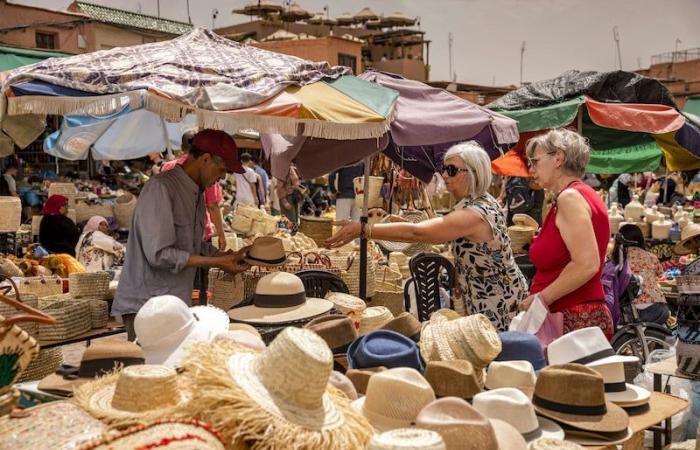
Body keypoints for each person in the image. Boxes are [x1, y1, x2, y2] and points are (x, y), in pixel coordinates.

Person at [325, 141, 527, 331]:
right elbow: (434, 229)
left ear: (474, 173)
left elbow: (418, 233)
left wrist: (364, 229)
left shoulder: (474, 214)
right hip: (493, 291)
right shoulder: (484, 202)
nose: (445, 176)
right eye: (444, 169)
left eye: (452, 170)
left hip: (496, 297)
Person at [113, 129, 251, 341]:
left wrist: (226, 256)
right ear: (205, 159)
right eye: (222, 169)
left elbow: (192, 245)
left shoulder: (196, 191)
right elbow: (159, 254)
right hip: (148, 305)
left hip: (173, 303)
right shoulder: (162, 188)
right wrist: (217, 262)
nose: (222, 177)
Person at [522, 129, 614, 339]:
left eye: (535, 161)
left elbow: (586, 264)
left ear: (558, 158)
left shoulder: (570, 198)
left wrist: (541, 298)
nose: (531, 168)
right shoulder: (577, 194)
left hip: (573, 317)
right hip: (574, 315)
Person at [611, 224, 670, 325]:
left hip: (628, 310)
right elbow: (660, 274)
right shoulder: (651, 257)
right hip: (657, 309)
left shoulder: (616, 258)